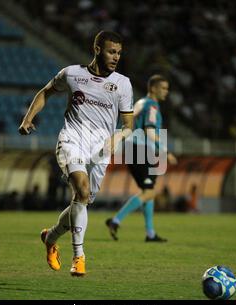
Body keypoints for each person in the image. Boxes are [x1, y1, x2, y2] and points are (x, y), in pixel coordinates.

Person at [18, 30, 134, 276]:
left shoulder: (123, 84)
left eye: (119, 53)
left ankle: (50, 237)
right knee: (80, 190)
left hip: (101, 150)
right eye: (112, 51)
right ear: (97, 49)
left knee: (81, 202)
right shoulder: (72, 74)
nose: (116, 57)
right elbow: (46, 92)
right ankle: (79, 257)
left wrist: (118, 136)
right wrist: (28, 118)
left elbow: (128, 126)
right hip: (72, 140)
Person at [105, 75, 177, 242]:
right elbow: (150, 131)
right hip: (141, 150)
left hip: (135, 148)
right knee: (150, 191)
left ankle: (150, 233)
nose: (166, 91)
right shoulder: (152, 106)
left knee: (148, 192)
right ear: (153, 88)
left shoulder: (140, 103)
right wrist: (166, 151)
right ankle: (115, 221)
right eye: (163, 88)